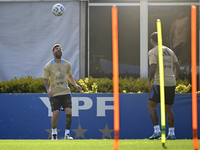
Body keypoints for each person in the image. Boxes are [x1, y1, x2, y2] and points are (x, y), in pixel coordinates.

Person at [42, 44, 82, 140]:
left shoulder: (67, 64)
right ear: (53, 52)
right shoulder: (49, 65)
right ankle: (54, 133)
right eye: (56, 49)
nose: (58, 50)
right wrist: (48, 90)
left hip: (65, 92)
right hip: (54, 94)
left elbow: (70, 76)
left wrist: (75, 85)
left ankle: (67, 134)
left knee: (69, 111)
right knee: (56, 113)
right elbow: (45, 79)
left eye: (60, 49)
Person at [147, 32, 180, 140]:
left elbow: (153, 67)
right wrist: (174, 78)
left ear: (152, 40)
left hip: (159, 82)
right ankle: (172, 134)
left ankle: (157, 131)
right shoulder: (170, 51)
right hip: (171, 83)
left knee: (151, 106)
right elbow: (178, 66)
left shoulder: (153, 51)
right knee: (168, 109)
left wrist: (149, 81)